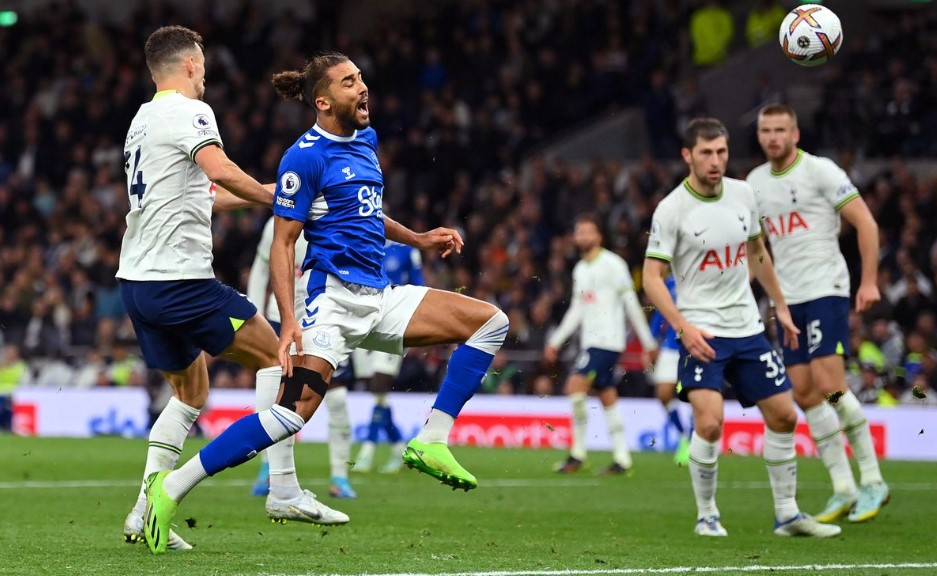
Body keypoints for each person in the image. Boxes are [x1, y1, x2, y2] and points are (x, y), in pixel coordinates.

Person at [141, 52, 509, 554]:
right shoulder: (304, 157)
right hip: (330, 305)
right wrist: (288, 319)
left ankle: (431, 440)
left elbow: (369, 213)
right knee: (289, 416)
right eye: (349, 82)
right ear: (323, 100)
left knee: (490, 322)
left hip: (378, 298)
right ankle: (173, 486)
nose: (362, 88)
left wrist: (419, 239)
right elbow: (283, 243)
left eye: (361, 79)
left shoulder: (367, 141)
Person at [117, 27, 348, 553]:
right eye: (203, 64)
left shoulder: (142, 120)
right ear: (192, 64)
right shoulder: (192, 113)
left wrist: (272, 192)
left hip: (138, 283)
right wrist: (283, 204)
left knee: (191, 393)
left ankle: (141, 510)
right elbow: (218, 169)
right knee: (279, 357)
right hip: (182, 283)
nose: (206, 73)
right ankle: (284, 489)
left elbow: (205, 193)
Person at [642, 117, 840, 538]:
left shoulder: (744, 194)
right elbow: (651, 278)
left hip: (747, 327)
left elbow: (757, 252)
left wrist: (781, 305)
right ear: (687, 156)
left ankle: (787, 514)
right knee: (710, 424)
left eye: (722, 152)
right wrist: (681, 327)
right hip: (702, 332)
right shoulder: (671, 209)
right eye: (706, 153)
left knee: (785, 416)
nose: (715, 161)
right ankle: (707, 514)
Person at [747, 103, 890, 523]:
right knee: (805, 392)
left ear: (796, 134)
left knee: (830, 385)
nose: (773, 137)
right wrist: (774, 299)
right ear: (759, 136)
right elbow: (758, 251)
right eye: (765, 130)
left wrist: (868, 281)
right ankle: (843, 487)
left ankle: (873, 480)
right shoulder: (754, 183)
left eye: (780, 129)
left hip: (826, 288)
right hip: (789, 300)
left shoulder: (820, 171)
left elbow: (866, 223)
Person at [246, 216, 356, 499]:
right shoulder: (276, 222)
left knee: (338, 398)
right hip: (278, 319)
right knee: (273, 394)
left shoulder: (337, 218)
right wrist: (254, 317)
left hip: (323, 320)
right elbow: (260, 272)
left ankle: (340, 476)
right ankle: (267, 466)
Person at [545, 213, 658, 476]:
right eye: (579, 232)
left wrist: (648, 342)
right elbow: (577, 309)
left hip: (607, 342)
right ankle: (622, 459)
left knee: (575, 386)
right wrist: (556, 340)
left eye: (588, 231)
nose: (583, 236)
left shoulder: (613, 264)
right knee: (607, 396)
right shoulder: (580, 269)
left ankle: (578, 454)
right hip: (591, 342)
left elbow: (631, 302)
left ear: (599, 236)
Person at [352, 240, 425, 474]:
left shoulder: (406, 251)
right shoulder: (364, 243)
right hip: (362, 325)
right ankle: (400, 450)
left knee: (379, 385)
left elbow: (419, 287)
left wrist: (414, 328)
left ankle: (367, 453)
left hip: (392, 325)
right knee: (377, 395)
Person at [648, 275, 691, 466]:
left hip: (695, 346)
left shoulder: (700, 275)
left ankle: (695, 439)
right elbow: (661, 313)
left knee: (697, 396)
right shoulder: (670, 282)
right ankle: (684, 436)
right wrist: (651, 341)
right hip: (671, 346)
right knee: (664, 394)